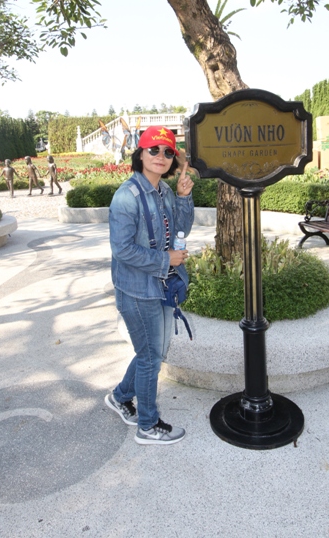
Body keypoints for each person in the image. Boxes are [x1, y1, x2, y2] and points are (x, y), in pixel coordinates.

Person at [106, 126, 194, 445]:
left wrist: (183, 197)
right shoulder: (126, 197)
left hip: (161, 285)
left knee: (151, 353)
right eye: (153, 149)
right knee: (150, 358)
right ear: (140, 154)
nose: (161, 156)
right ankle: (147, 424)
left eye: (168, 151)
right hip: (137, 290)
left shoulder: (164, 191)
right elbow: (123, 250)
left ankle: (120, 397)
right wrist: (164, 259)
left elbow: (180, 230)